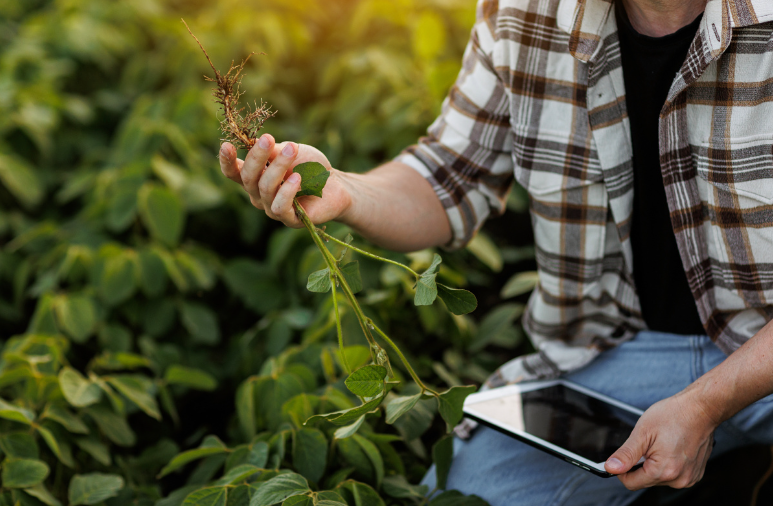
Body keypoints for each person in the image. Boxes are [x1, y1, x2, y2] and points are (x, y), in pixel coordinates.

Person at [218, 0, 773, 503]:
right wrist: (344, 190)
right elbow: (448, 177)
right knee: (470, 495)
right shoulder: (522, 13)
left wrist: (705, 404)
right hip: (620, 353)